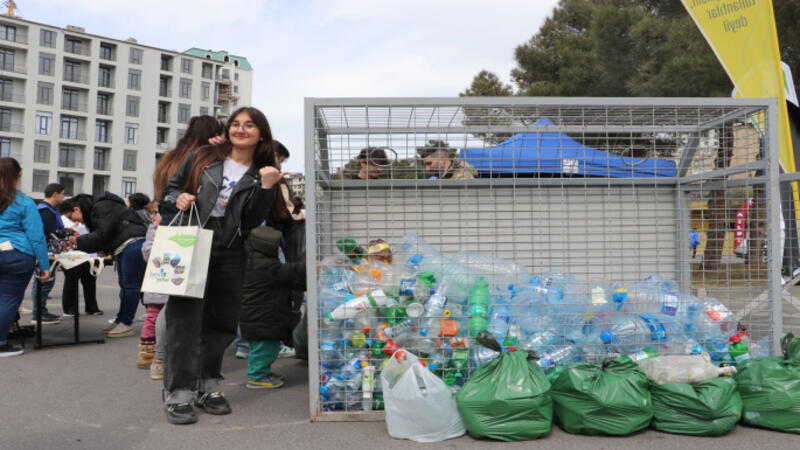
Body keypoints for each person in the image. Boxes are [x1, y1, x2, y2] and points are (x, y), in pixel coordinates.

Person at [161, 106, 285, 425]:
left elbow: (252, 219)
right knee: (184, 320)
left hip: (231, 248)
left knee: (221, 322)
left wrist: (267, 188)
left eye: (249, 125)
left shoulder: (263, 171)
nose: (240, 129)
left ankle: (208, 384)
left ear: (261, 134)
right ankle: (179, 392)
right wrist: (177, 199)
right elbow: (170, 190)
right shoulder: (204, 156)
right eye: (235, 124)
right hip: (192, 240)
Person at [148, 115, 225, 381]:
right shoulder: (200, 158)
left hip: (170, 227)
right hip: (193, 229)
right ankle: (165, 357)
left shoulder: (170, 158)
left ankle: (157, 356)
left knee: (174, 295)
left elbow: (163, 195)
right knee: (183, 302)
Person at [67, 191, 148, 338]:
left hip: (132, 244)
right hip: (127, 246)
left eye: (70, 216)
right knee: (126, 285)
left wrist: (78, 241)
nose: (73, 220)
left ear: (77, 209)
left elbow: (103, 234)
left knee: (130, 286)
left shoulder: (102, 206)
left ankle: (126, 322)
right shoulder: (101, 207)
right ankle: (121, 320)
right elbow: (103, 237)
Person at [240, 226, 305, 388]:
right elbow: (290, 271)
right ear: (267, 247)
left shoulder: (254, 260)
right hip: (262, 319)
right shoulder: (266, 266)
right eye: (277, 246)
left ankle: (263, 372)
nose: (280, 250)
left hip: (260, 317)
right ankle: (257, 376)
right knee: (264, 349)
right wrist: (312, 265)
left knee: (264, 348)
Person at [0, 158, 51, 357]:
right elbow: (36, 236)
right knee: (7, 299)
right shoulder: (24, 201)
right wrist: (44, 265)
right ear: (19, 174)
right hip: (17, 255)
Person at [266, 141, 305, 358]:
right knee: (285, 291)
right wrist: (298, 214)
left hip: (270, 239)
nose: (281, 165)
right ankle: (281, 340)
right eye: (280, 159)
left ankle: (248, 345)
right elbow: (283, 211)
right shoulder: (274, 179)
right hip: (276, 240)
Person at [59, 198, 102, 316]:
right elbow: (61, 234)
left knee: (90, 281)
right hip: (72, 255)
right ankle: (70, 309)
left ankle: (91, 307)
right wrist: (72, 227)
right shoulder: (63, 219)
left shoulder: (89, 218)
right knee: (71, 281)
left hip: (90, 255)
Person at [31, 183, 65, 324]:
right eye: (63, 193)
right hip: (45, 251)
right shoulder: (46, 211)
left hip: (47, 250)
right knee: (43, 282)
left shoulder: (47, 209)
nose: (64, 197)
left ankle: (41, 311)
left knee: (44, 282)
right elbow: (50, 232)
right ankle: (39, 313)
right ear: (55, 194)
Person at [138, 210, 165, 371]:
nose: (154, 216)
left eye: (157, 212)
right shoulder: (153, 229)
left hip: (166, 284)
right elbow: (147, 253)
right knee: (153, 317)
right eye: (153, 212)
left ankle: (158, 356)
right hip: (158, 281)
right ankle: (147, 356)